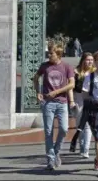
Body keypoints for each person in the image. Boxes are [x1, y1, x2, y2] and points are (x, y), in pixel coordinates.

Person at [32, 43, 75, 171]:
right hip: (48, 102)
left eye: (51, 53)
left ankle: (56, 151)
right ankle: (50, 159)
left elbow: (71, 84)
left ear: (58, 54)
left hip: (62, 101)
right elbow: (35, 78)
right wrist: (38, 92)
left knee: (64, 129)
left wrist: (57, 92)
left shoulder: (67, 67)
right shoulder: (44, 66)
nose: (49, 55)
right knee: (49, 131)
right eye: (48, 53)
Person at [69, 52, 95, 158]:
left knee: (88, 125)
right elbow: (71, 88)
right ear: (83, 60)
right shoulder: (76, 72)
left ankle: (86, 149)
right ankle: (81, 146)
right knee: (80, 125)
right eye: (88, 59)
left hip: (90, 99)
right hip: (78, 98)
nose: (90, 62)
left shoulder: (94, 72)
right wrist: (71, 101)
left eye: (91, 60)